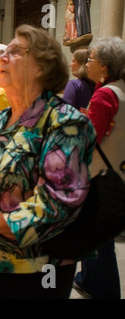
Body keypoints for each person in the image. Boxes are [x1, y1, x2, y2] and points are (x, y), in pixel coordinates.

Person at [0, 24, 96, 299]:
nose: (3, 57)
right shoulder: (1, 120)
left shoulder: (64, 123)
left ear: (41, 67)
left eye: (15, 52)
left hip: (34, 269)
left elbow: (58, 203)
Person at [73, 36, 125, 300]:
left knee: (98, 235)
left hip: (98, 174)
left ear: (104, 66)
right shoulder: (120, 89)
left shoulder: (104, 93)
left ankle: (105, 290)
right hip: (118, 170)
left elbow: (88, 139)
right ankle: (88, 279)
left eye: (91, 59)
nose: (87, 64)